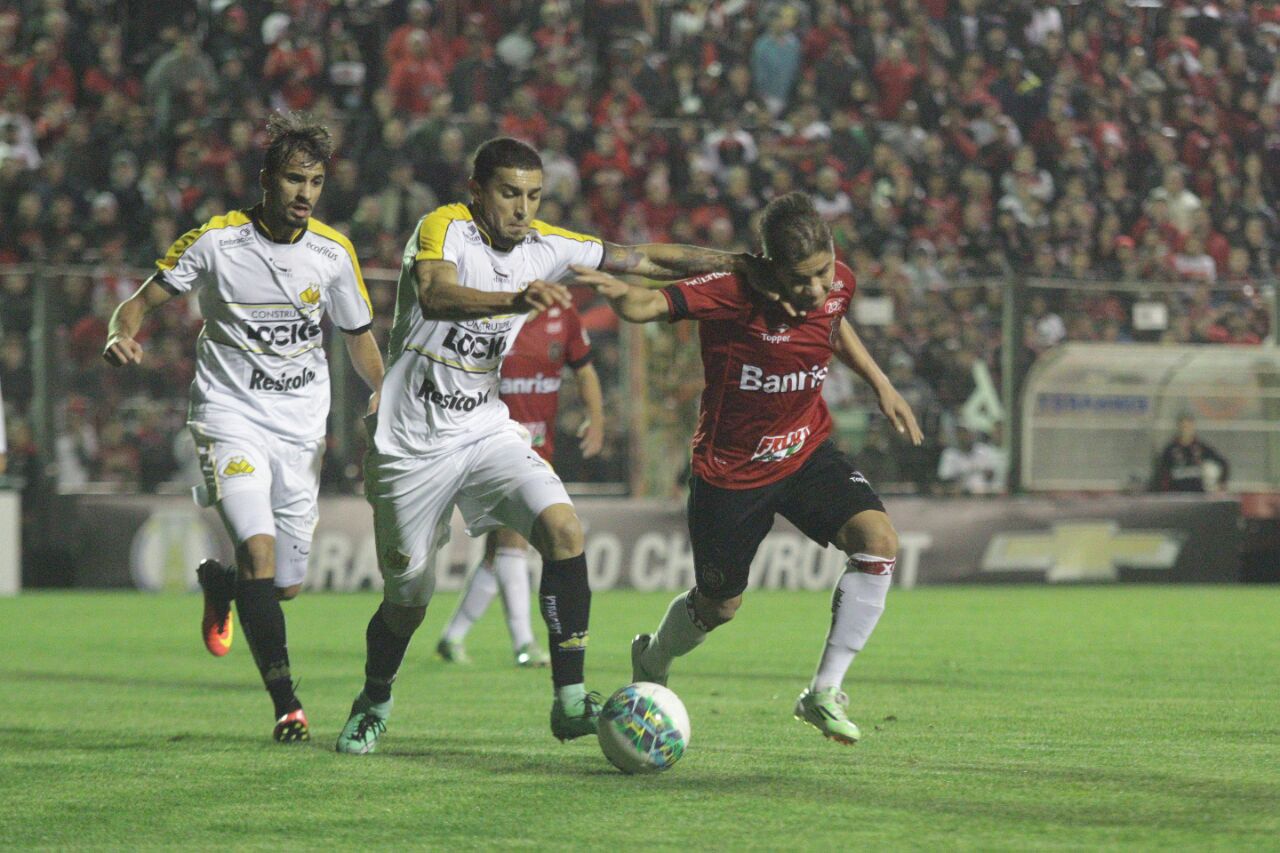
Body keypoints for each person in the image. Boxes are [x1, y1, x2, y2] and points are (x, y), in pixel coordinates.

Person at [335, 136, 762, 754]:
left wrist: (738, 262)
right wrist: (518, 298)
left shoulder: (547, 246)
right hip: (410, 444)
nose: (523, 208)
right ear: (477, 190)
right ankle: (374, 699)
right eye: (510, 193)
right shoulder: (443, 228)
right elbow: (435, 294)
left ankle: (568, 701)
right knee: (408, 601)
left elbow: (642, 259)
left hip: (484, 428)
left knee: (564, 529)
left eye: (534, 195)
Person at [572, 191, 924, 746]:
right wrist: (624, 295)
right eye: (801, 278)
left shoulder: (836, 287)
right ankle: (654, 656)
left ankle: (823, 692)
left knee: (878, 539)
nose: (816, 288)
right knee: (720, 605)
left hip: (806, 451)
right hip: (730, 474)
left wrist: (881, 384)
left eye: (824, 271)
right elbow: (646, 309)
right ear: (772, 270)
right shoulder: (731, 293)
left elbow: (833, 324)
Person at [103, 112, 385, 743]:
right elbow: (140, 302)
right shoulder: (217, 242)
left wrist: (382, 393)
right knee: (258, 551)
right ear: (265, 181)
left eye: (314, 180)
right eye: (292, 179)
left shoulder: (332, 254)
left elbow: (359, 338)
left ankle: (221, 584)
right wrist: (121, 334)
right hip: (230, 418)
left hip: (300, 431)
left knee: (282, 585)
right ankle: (288, 706)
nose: (304, 193)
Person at [436, 303, 604, 668]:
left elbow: (585, 370)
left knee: (500, 549)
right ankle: (524, 644)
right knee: (514, 540)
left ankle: (453, 635)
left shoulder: (563, 316)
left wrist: (597, 420)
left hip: (538, 449)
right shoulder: (488, 315)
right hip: (491, 447)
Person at [1152, 414, 1230, 492]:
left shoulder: (1200, 447)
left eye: (1189, 426)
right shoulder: (1170, 449)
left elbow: (1223, 463)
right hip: (1176, 494)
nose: (1186, 429)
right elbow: (1160, 472)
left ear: (1193, 427)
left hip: (1197, 494)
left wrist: (1222, 483)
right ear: (1179, 427)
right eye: (1183, 426)